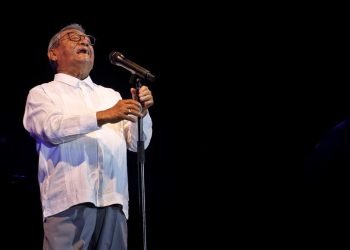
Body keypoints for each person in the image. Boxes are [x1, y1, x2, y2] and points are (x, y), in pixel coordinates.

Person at [23, 23, 154, 250]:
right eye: (73, 37)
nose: (84, 41)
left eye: (87, 39)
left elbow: (136, 143)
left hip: (114, 201)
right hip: (68, 202)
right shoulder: (43, 93)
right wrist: (104, 116)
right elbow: (50, 129)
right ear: (53, 53)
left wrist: (143, 113)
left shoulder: (110, 95)